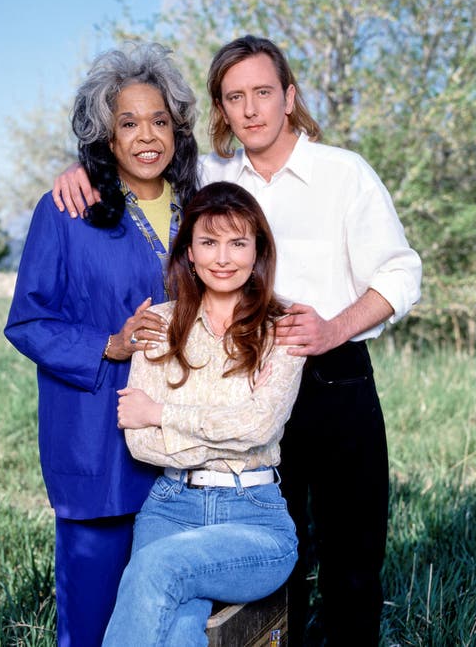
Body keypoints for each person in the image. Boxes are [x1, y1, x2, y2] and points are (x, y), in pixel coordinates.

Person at [53, 35, 423, 645]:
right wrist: (85, 169)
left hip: (328, 372)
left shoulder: (343, 173)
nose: (250, 109)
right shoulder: (210, 176)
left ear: (289, 97)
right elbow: (141, 164)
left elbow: (401, 272)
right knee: (276, 573)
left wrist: (333, 328)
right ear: (221, 110)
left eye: (262, 93)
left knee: (351, 558)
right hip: (235, 377)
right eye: (233, 98)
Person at [3, 41, 199, 647]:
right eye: (128, 122)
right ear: (105, 137)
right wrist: (107, 346)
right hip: (98, 442)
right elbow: (28, 322)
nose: (147, 136)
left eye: (160, 120)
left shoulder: (202, 211)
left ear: (177, 130)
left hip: (187, 442)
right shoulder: (66, 210)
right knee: (91, 621)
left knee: (172, 617)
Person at [101, 181, 304, 645]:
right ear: (189, 252)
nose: (223, 257)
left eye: (238, 243)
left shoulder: (284, 327)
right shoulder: (159, 324)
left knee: (158, 566)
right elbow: (140, 440)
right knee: (178, 626)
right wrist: (214, 424)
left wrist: (161, 411)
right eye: (208, 242)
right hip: (170, 508)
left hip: (254, 517)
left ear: (258, 251)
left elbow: (260, 426)